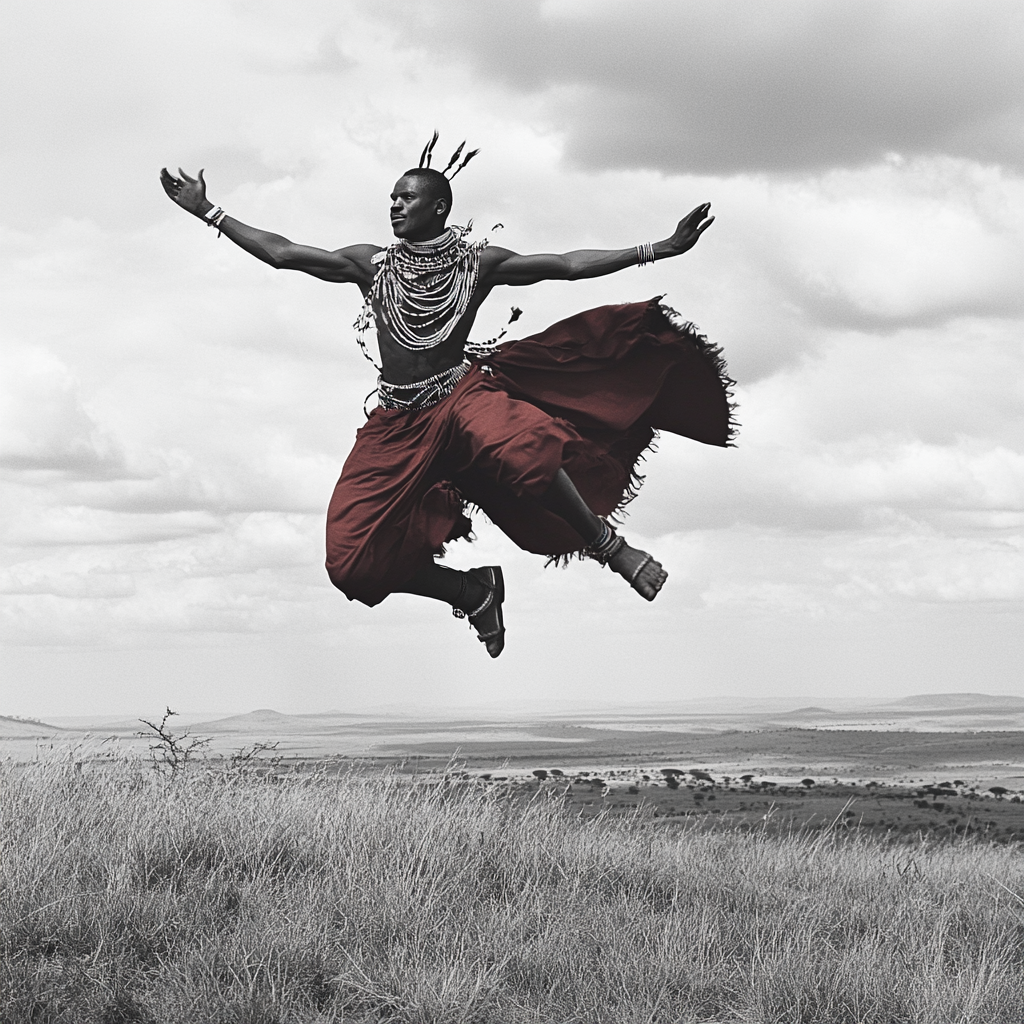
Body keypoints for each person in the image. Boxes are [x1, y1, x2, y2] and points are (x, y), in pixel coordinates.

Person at [160, 141, 730, 659]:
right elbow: (284, 253)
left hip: (460, 395)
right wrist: (210, 211)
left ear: (438, 208)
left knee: (530, 448)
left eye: (406, 197)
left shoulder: (478, 265)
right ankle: (471, 589)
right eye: (391, 198)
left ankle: (611, 548)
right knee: (350, 565)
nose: (393, 206)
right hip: (396, 420)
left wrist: (659, 248)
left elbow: (568, 266)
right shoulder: (371, 264)